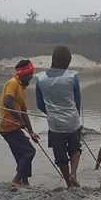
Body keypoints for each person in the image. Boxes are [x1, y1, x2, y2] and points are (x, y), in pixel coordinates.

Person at [36, 46, 82, 188]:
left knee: (60, 155)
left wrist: (51, 113)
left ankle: (68, 182)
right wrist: (75, 115)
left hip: (55, 125)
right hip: (72, 122)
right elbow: (77, 101)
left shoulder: (40, 79)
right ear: (68, 61)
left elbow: (40, 104)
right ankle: (73, 174)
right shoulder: (72, 77)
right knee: (75, 149)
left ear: (53, 59)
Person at [0, 60, 39, 187]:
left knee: (21, 155)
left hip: (14, 126)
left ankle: (25, 182)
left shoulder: (21, 88)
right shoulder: (13, 83)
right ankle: (16, 180)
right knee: (29, 152)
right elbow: (7, 102)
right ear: (24, 74)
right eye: (30, 74)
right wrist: (19, 120)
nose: (32, 77)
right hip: (8, 127)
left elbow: (24, 113)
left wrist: (31, 132)